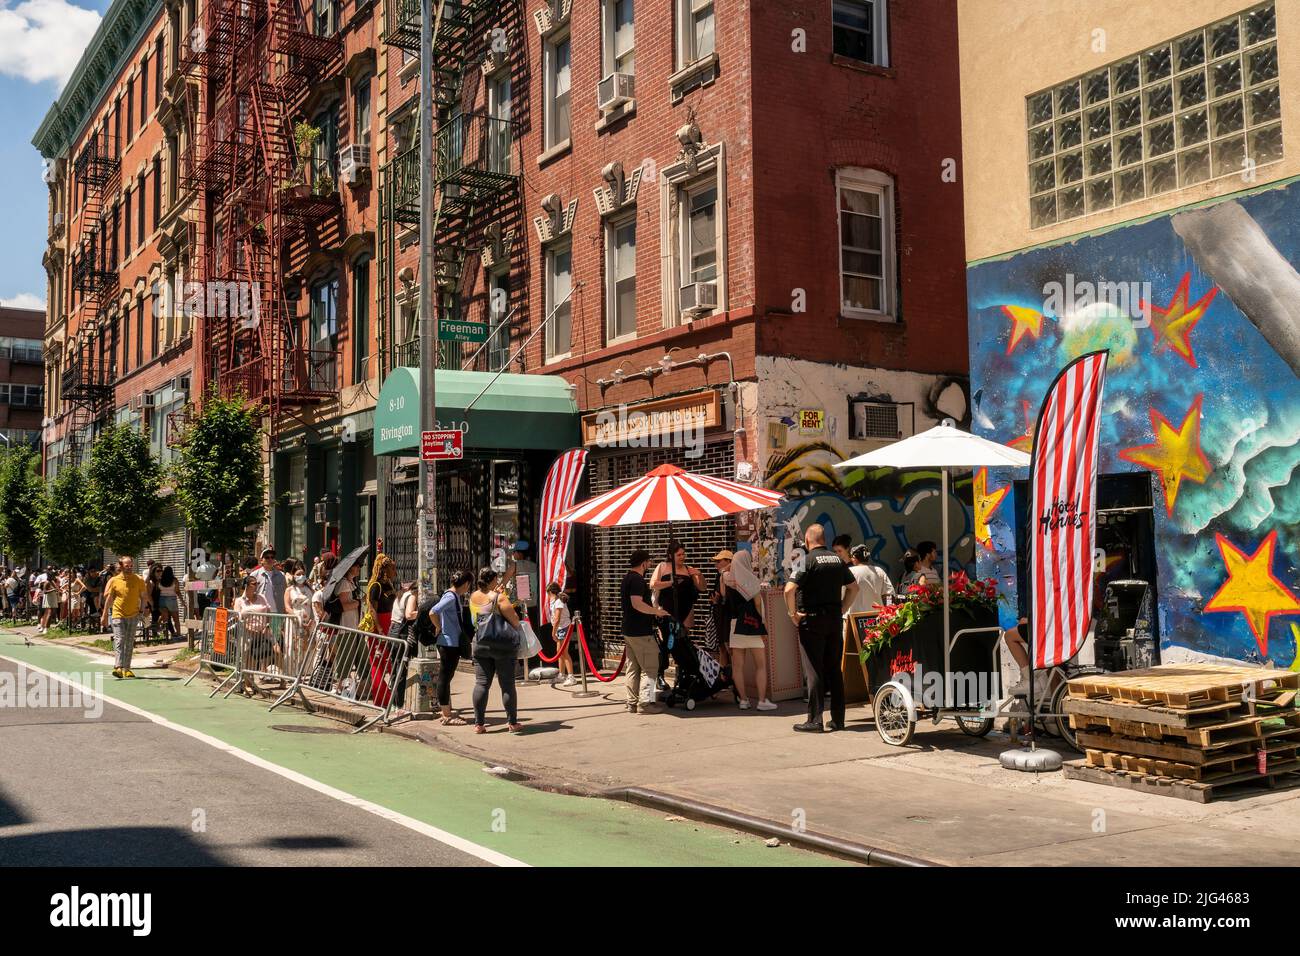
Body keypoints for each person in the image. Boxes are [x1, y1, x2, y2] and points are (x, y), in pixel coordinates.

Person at [784, 523, 858, 733]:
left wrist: (792, 614)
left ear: (808, 541)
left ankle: (814, 720)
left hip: (812, 621)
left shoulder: (804, 560)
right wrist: (843, 607)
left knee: (814, 669)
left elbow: (789, 590)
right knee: (834, 669)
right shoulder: (838, 560)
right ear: (824, 540)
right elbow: (854, 588)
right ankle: (838, 720)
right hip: (834, 620)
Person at [469, 568, 525, 734]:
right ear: (493, 580)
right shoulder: (499, 598)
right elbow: (514, 619)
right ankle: (512, 723)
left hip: (480, 643)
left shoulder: (473, 596)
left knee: (481, 683)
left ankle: (479, 724)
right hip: (501, 646)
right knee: (507, 684)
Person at [722, 549, 776, 710]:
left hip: (735, 624)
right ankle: (761, 701)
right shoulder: (752, 581)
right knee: (760, 665)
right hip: (752, 625)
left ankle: (744, 700)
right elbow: (758, 605)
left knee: (738, 666)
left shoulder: (726, 578)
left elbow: (724, 595)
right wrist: (764, 624)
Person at [622, 549, 671, 714]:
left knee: (633, 668)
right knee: (650, 667)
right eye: (649, 562)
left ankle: (631, 703)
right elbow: (636, 603)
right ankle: (646, 703)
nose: (650, 565)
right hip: (640, 631)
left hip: (629, 630)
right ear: (643, 562)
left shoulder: (627, 578)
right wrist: (656, 611)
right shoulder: (636, 580)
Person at [651, 540, 705, 689]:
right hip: (667, 612)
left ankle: (681, 675)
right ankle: (660, 675)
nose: (682, 557)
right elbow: (653, 584)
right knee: (666, 644)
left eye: (683, 554)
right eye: (679, 554)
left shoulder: (688, 569)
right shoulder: (662, 566)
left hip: (685, 612)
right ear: (670, 555)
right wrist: (671, 583)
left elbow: (701, 588)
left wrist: (699, 574)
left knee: (682, 644)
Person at [430, 570, 474, 724]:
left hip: (451, 642)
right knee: (445, 677)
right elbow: (433, 612)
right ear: (466, 584)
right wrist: (438, 627)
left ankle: (447, 710)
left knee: (447, 677)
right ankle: (446, 715)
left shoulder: (452, 596)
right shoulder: (450, 597)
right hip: (448, 643)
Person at [101, 556, 149, 679]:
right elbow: (109, 598)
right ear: (121, 566)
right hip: (118, 615)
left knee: (129, 642)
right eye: (126, 565)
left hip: (134, 615)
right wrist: (105, 615)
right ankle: (118, 667)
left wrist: (142, 610)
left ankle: (126, 668)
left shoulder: (138, 579)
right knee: (120, 640)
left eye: (131, 565)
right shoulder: (114, 580)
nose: (129, 567)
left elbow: (144, 596)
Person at [234, 574, 274, 695]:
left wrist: (266, 626)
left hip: (262, 632)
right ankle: (248, 684)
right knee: (247, 658)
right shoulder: (239, 601)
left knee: (273, 652)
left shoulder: (261, 597)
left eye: (257, 583)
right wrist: (249, 628)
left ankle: (278, 678)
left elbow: (269, 613)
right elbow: (237, 617)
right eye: (254, 584)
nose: (257, 585)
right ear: (246, 585)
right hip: (247, 633)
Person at [846, 544, 895, 615]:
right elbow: (889, 595)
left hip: (855, 618)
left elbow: (841, 596)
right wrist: (889, 612)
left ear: (854, 557)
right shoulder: (879, 571)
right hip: (877, 618)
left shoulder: (849, 572)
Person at [546, 581, 575, 686]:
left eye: (548, 593)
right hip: (560, 628)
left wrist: (553, 632)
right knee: (559, 652)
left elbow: (557, 619)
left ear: (551, 592)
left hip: (563, 627)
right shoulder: (555, 601)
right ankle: (562, 674)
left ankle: (571, 676)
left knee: (564, 652)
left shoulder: (558, 602)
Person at [708, 550, 734, 668]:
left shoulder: (734, 575)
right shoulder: (719, 575)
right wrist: (715, 600)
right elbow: (715, 594)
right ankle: (724, 674)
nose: (716, 564)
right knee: (721, 646)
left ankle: (734, 676)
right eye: (715, 561)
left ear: (729, 561)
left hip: (729, 615)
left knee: (730, 647)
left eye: (719, 561)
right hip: (719, 614)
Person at [156, 566, 182, 640]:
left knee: (165, 619)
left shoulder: (159, 580)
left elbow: (157, 590)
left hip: (162, 600)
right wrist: (182, 601)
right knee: (176, 618)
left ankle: (165, 635)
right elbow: (177, 591)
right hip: (172, 600)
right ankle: (178, 634)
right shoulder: (174, 580)